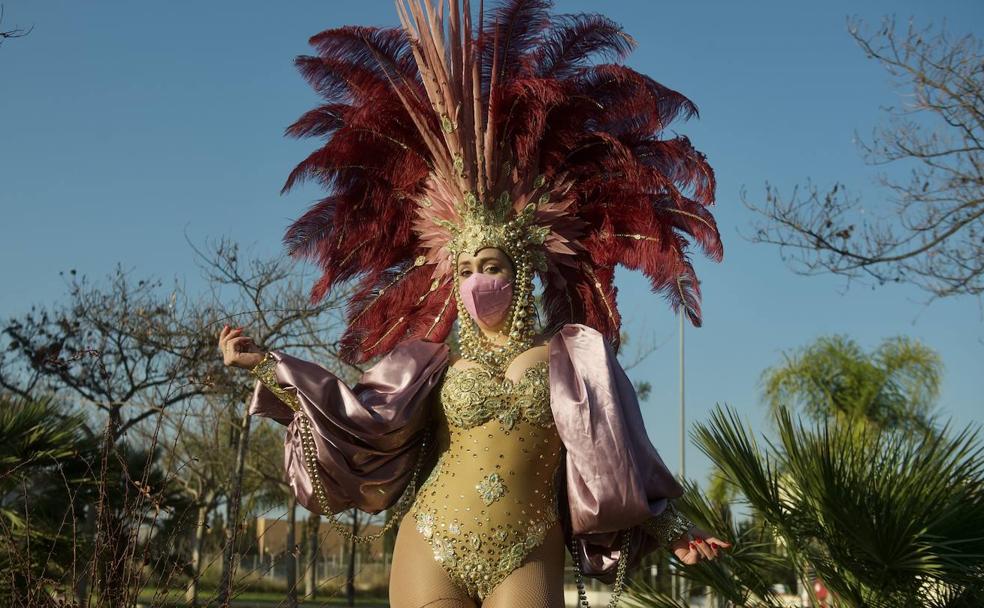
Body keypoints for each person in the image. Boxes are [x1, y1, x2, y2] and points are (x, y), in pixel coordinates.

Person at [219, 1, 731, 606]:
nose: (475, 280)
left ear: (521, 272)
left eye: (490, 267)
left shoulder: (574, 356)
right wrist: (267, 368)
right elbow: (358, 418)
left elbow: (618, 452)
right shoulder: (429, 363)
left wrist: (671, 525)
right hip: (431, 540)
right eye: (464, 269)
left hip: (527, 550)